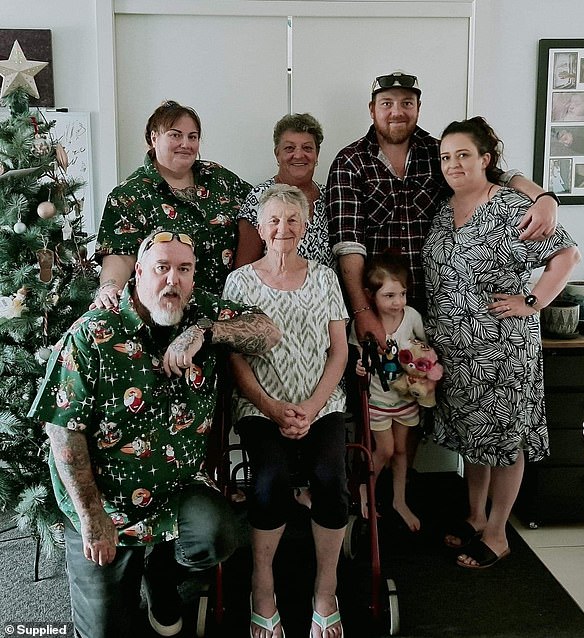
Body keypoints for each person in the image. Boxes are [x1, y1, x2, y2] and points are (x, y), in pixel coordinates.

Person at [28, 230, 282, 638]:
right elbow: (63, 434)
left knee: (217, 535)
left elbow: (269, 332)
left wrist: (206, 333)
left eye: (184, 270)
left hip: (174, 489)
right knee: (104, 632)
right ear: (139, 273)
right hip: (105, 501)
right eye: (162, 268)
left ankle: (159, 571)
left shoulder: (199, 310)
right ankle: (133, 567)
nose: (173, 280)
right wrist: (93, 519)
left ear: (194, 277)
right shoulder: (93, 334)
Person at [421, 117, 580, 569]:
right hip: (456, 350)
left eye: (463, 155)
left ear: (485, 159)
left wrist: (532, 301)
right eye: (446, 157)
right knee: (476, 437)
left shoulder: (510, 207)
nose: (452, 164)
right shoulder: (443, 209)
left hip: (502, 348)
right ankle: (475, 515)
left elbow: (567, 255)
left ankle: (497, 532)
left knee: (505, 440)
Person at [326, 70, 560, 350]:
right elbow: (348, 244)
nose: (396, 112)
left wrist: (545, 197)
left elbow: (494, 174)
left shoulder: (438, 153)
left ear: (418, 108)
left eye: (407, 103)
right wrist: (362, 313)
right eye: (387, 103)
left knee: (430, 389)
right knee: (380, 391)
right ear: (372, 109)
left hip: (439, 310)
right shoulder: (350, 162)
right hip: (379, 307)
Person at [223, 184, 348, 638]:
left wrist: (312, 408)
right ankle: (262, 588)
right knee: (270, 478)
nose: (282, 228)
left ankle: (326, 591)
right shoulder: (238, 282)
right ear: (260, 226)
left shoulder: (325, 277)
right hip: (261, 405)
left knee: (332, 478)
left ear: (305, 225)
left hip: (323, 403)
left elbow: (339, 352)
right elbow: (234, 357)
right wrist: (274, 409)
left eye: (292, 220)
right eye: (274, 220)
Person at [94, 100, 251, 309]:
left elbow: (260, 206)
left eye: (192, 137)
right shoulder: (129, 195)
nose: (185, 144)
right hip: (165, 315)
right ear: (154, 138)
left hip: (223, 312)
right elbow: (119, 258)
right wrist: (110, 287)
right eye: (175, 135)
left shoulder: (219, 178)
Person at [349, 252, 429, 532]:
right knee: (383, 449)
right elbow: (357, 357)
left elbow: (427, 349)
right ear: (371, 295)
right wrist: (361, 366)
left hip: (406, 399)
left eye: (403, 294)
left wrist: (422, 361)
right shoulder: (366, 324)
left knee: (401, 452)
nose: (398, 302)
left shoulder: (412, 317)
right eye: (390, 295)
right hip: (378, 402)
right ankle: (363, 490)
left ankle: (399, 501)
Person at [235, 113, 335, 270]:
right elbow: (244, 271)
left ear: (317, 154)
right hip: (272, 294)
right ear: (277, 154)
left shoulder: (331, 197)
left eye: (307, 148)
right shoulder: (260, 198)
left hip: (326, 292)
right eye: (289, 148)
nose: (299, 155)